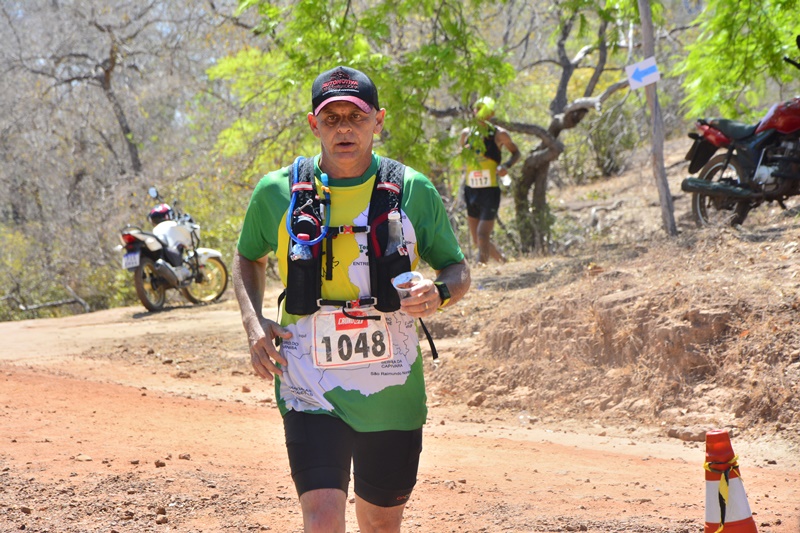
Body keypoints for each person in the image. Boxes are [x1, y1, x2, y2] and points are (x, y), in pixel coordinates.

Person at [232, 65, 470, 533]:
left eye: (356, 117)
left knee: (380, 523)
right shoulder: (276, 192)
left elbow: (458, 270)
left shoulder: (413, 190)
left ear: (378, 121)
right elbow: (247, 258)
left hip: (391, 385)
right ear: (312, 124)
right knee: (321, 517)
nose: (344, 128)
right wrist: (252, 320)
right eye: (332, 117)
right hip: (308, 381)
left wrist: (437, 292)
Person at [459, 96, 521, 266]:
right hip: (471, 189)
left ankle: (480, 269)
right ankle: (504, 262)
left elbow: (516, 153)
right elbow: (461, 160)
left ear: (491, 112)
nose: (478, 111)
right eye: (476, 108)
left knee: (482, 234)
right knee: (477, 239)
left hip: (490, 191)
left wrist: (506, 166)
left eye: (483, 108)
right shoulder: (466, 134)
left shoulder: (500, 134)